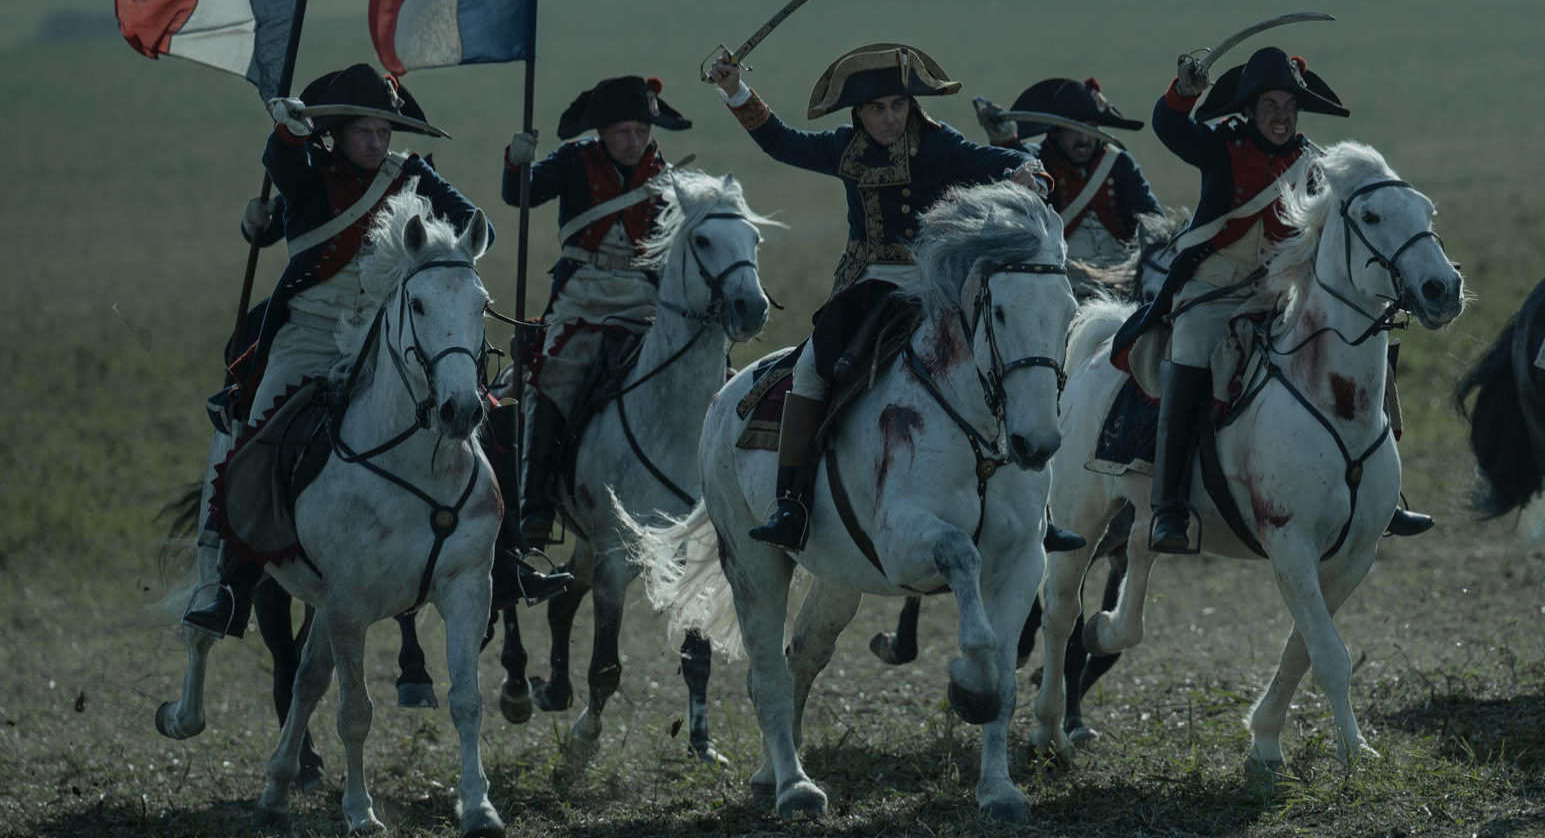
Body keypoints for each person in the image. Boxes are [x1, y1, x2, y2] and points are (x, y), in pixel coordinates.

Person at [185, 65, 568, 637]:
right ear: (336, 133)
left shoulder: (410, 174)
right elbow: (283, 161)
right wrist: (288, 133)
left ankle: (508, 558)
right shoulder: (309, 175)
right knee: (262, 435)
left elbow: (465, 222)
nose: (376, 142)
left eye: (384, 132)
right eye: (364, 131)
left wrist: (452, 252)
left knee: (480, 414)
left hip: (388, 337)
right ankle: (234, 587)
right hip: (309, 336)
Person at [708, 43, 1082, 553]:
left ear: (913, 106)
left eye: (898, 106)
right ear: (859, 113)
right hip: (866, 288)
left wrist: (1026, 170)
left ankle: (1040, 510)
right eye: (877, 109)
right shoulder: (843, 148)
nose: (890, 118)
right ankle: (792, 505)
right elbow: (781, 143)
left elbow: (1002, 157)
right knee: (810, 370)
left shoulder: (940, 144)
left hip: (933, 285)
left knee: (1007, 357)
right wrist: (735, 91)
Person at [1113, 47, 1433, 553]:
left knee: (1363, 342)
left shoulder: (1316, 163)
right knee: (1192, 353)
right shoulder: (1220, 146)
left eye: (1289, 106)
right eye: (1270, 107)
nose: (1281, 116)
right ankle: (1169, 504)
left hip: (1281, 293)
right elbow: (1169, 127)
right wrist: (1183, 93)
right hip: (1213, 290)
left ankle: (1385, 494)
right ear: (1249, 111)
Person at [500, 76, 688, 545]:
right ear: (602, 132)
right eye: (624, 132)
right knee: (556, 375)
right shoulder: (573, 161)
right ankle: (537, 502)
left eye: (641, 131)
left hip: (645, 297)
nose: (634, 141)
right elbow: (519, 195)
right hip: (582, 295)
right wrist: (515, 163)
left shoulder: (666, 177)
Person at [979, 77, 1162, 287]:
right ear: (1056, 133)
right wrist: (1006, 140)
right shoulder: (1038, 159)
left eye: (1090, 128)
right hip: (1063, 279)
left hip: (1123, 277)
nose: (1084, 138)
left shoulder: (1118, 162)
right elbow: (1020, 161)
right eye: (1074, 129)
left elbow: (1152, 217)